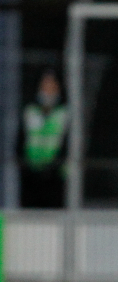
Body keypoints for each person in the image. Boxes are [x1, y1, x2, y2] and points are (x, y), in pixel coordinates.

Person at [17, 69, 68, 209]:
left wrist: (55, 166)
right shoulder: (30, 111)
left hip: (55, 178)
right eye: (45, 86)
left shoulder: (64, 114)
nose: (48, 91)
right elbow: (21, 141)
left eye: (52, 86)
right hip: (30, 178)